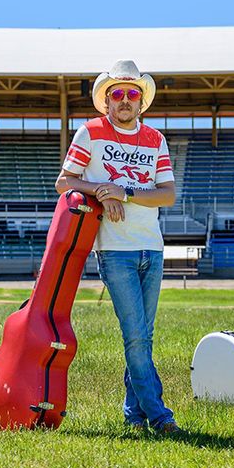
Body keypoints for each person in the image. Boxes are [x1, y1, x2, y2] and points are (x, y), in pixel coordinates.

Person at [55, 60, 181, 433]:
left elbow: (168, 195)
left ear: (141, 101)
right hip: (114, 251)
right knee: (137, 335)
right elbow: (65, 182)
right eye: (118, 94)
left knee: (144, 334)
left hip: (152, 248)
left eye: (132, 94)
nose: (125, 100)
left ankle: (133, 413)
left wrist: (123, 193)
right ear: (106, 100)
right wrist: (100, 192)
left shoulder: (156, 139)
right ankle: (160, 415)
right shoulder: (90, 133)